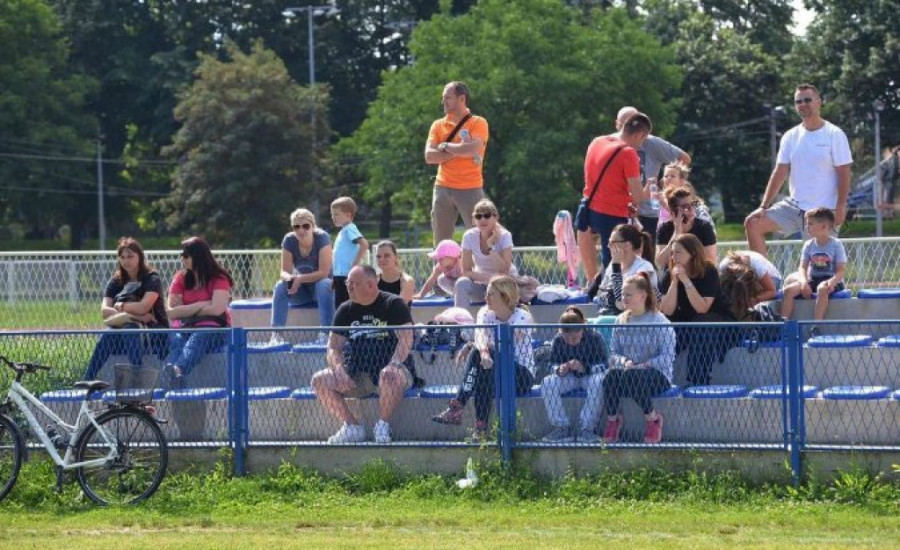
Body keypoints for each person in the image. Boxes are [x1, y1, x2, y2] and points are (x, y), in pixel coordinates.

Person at [310, 265, 415, 444]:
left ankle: (382, 425)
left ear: (371, 285)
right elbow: (333, 347)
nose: (348, 287)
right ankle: (352, 426)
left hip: (392, 371)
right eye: (347, 283)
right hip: (357, 373)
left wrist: (394, 364)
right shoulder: (345, 309)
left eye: (353, 283)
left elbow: (406, 339)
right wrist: (338, 369)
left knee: (389, 375)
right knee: (319, 380)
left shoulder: (393, 304)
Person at [745, 84, 853, 255]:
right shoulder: (790, 136)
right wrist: (763, 206)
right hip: (794, 207)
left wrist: (841, 207)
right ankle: (762, 271)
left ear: (819, 102)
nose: (803, 104)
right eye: (798, 101)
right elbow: (780, 172)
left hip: (824, 210)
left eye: (807, 100)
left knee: (818, 265)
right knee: (753, 223)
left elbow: (844, 173)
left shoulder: (834, 134)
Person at [432, 275, 535, 441]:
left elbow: (505, 344)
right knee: (483, 372)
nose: (485, 297)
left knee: (481, 355)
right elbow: (480, 336)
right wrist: (482, 350)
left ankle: (458, 407)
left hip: (520, 376)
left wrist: (478, 348)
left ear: (505, 296)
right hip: (493, 372)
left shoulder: (523, 316)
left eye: (491, 294)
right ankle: (479, 428)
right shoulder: (485, 312)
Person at [576, 111, 652, 283]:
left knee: (604, 265)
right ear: (640, 135)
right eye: (643, 140)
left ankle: (592, 286)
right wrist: (648, 191)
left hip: (588, 208)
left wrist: (626, 199)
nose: (640, 146)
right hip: (612, 214)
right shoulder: (628, 153)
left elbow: (602, 182)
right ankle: (609, 294)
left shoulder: (597, 142)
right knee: (614, 265)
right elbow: (638, 197)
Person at [602, 274, 676, 444]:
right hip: (628, 371)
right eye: (623, 294)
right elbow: (613, 353)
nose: (624, 298)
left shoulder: (660, 321)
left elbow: (667, 357)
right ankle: (613, 420)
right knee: (610, 376)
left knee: (633, 376)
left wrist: (645, 364)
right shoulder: (620, 320)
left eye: (629, 294)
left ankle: (653, 419)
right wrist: (624, 362)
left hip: (657, 375)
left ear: (643, 295)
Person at [83, 237, 169, 380]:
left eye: (130, 256)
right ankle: (87, 379)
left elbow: (143, 307)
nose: (126, 261)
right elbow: (105, 311)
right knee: (108, 334)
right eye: (122, 257)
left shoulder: (151, 278)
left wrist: (122, 306)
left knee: (130, 328)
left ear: (140, 257)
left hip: (153, 333)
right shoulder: (116, 280)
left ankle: (137, 376)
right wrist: (137, 316)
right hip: (124, 332)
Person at [659, 234, 733, 386]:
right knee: (666, 327)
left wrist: (686, 280)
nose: (673, 257)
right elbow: (667, 310)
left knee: (701, 324)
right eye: (672, 253)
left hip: (714, 319)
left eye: (678, 252)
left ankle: (698, 380)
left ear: (692, 253)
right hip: (686, 319)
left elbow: (702, 308)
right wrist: (674, 282)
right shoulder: (670, 273)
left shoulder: (708, 271)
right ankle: (657, 376)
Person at [424, 81, 489, 244]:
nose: (443, 102)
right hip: (442, 187)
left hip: (471, 187)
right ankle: (444, 262)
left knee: (481, 236)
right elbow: (429, 156)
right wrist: (460, 149)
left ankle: (482, 262)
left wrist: (446, 146)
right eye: (443, 98)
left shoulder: (478, 122)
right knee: (441, 242)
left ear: (462, 99)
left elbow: (473, 148)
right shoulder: (438, 125)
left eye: (448, 98)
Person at [165, 236, 233, 389]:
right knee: (177, 340)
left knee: (199, 337)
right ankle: (175, 379)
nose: (182, 259)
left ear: (198, 256)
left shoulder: (219, 277)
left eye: (186, 255)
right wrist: (202, 304)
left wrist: (186, 310)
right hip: (186, 327)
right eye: (181, 255)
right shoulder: (180, 278)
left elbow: (217, 309)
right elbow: (172, 312)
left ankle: (178, 370)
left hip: (215, 330)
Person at [615, 106, 692, 241]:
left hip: (648, 214)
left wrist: (669, 180)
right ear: (617, 125)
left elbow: (684, 159)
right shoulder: (611, 143)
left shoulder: (652, 143)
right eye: (625, 126)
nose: (630, 131)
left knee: (651, 252)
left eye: (634, 125)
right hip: (620, 210)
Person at [539, 306, 608, 443]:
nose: (571, 342)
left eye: (575, 338)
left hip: (590, 376)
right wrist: (559, 369)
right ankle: (562, 427)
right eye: (567, 339)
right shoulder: (558, 339)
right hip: (568, 377)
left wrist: (585, 368)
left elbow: (605, 364)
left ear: (582, 330)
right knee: (547, 382)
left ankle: (586, 428)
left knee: (598, 381)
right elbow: (550, 364)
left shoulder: (595, 337)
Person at [270, 208, 334, 345]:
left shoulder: (322, 238)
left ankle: (326, 334)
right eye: (296, 227)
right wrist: (290, 279)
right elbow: (284, 271)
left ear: (313, 226)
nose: (301, 230)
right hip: (302, 292)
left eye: (305, 226)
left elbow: (323, 272)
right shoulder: (289, 240)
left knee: (324, 283)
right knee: (280, 286)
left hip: (322, 292)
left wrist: (299, 279)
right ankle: (276, 335)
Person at [779, 208, 847, 326]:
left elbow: (841, 271)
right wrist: (804, 283)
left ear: (824, 226)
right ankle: (783, 325)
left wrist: (832, 282)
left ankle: (816, 325)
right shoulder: (808, 244)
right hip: (813, 279)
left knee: (822, 288)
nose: (807, 227)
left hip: (832, 281)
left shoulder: (836, 244)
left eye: (810, 224)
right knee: (788, 291)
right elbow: (802, 268)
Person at [454, 199, 517, 307]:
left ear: (496, 217)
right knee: (461, 283)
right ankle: (460, 317)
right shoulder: (469, 236)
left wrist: (490, 246)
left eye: (487, 216)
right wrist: (490, 277)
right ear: (474, 220)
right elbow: (466, 271)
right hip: (482, 284)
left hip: (504, 287)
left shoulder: (505, 236)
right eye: (478, 216)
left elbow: (504, 271)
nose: (482, 219)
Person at [585, 223, 657, 314]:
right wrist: (612, 300)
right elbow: (600, 293)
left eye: (612, 242)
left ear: (627, 245)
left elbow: (622, 301)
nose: (608, 246)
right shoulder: (612, 264)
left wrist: (616, 268)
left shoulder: (644, 267)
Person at [655, 186, 718, 268]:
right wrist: (676, 233)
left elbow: (711, 260)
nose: (691, 209)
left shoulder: (704, 227)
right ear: (673, 211)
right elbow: (661, 262)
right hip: (674, 271)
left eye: (693, 204)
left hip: (698, 271)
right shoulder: (664, 228)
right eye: (685, 206)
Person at [331, 196, 368, 309]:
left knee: (346, 306)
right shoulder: (343, 231)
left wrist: (355, 264)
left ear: (348, 215)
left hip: (347, 275)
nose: (333, 217)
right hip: (339, 275)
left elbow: (364, 244)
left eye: (336, 214)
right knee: (340, 306)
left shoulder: (350, 228)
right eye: (332, 215)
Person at [657, 162, 716, 230]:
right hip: (664, 233)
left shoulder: (691, 200)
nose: (668, 178)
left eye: (672, 176)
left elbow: (706, 223)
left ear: (681, 180)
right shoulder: (659, 198)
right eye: (666, 176)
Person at [374, 240, 416, 306]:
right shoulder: (374, 281)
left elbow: (398, 307)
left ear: (396, 257)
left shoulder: (406, 281)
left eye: (386, 256)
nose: (381, 259)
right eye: (378, 256)